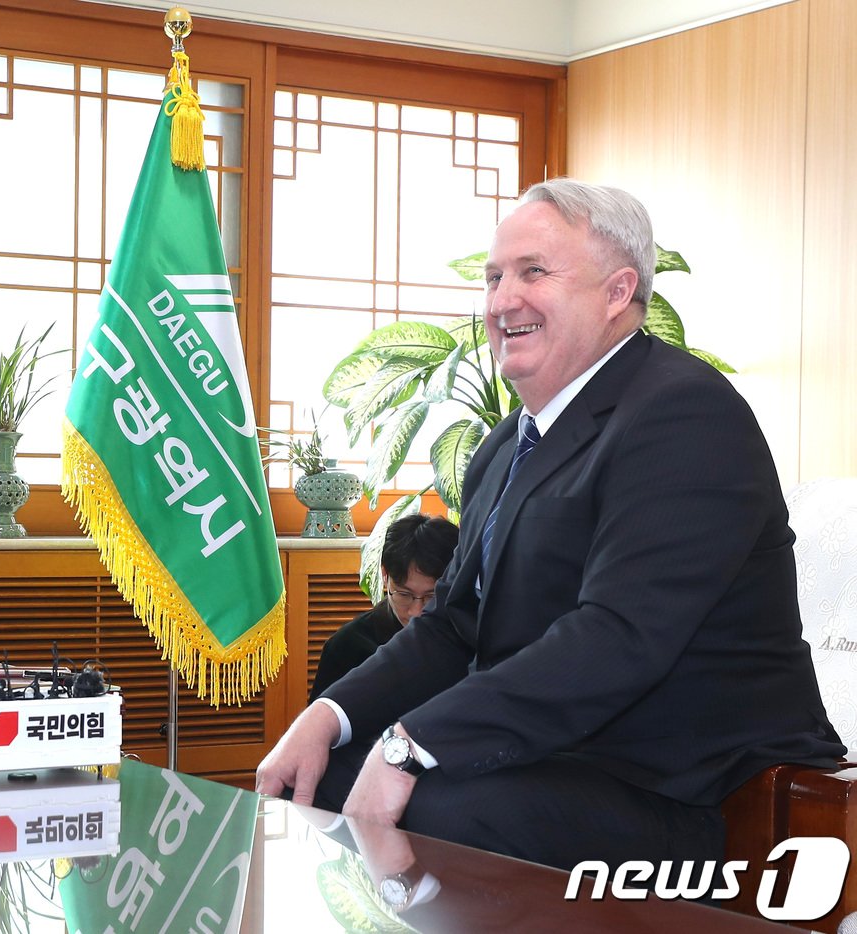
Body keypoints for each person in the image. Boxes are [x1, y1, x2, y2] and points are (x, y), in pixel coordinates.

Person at [256, 179, 844, 874]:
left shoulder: (684, 414)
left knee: (426, 801)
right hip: (563, 763)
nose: (504, 300)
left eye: (534, 272)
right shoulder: (509, 444)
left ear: (618, 292)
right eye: (495, 276)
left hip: (693, 793)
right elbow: (451, 627)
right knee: (323, 773)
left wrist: (411, 744)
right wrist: (325, 716)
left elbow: (618, 636)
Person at [309, 514, 459, 701]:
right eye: (404, 595)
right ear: (385, 576)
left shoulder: (470, 637)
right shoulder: (347, 647)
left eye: (432, 597)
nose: (416, 612)